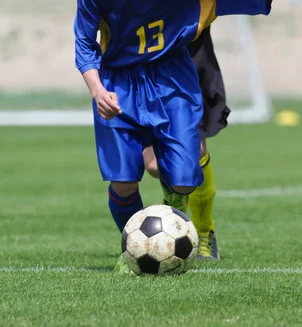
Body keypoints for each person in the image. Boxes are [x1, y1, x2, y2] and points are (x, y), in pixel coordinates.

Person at [74, 0, 272, 272]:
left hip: (172, 76)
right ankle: (133, 249)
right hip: (117, 80)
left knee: (183, 177)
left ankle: (183, 226)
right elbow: (84, 43)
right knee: (122, 181)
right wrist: (97, 91)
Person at [142, 26, 228, 261]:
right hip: (145, 55)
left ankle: (202, 232)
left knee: (195, 149)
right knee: (152, 164)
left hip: (189, 51)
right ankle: (172, 227)